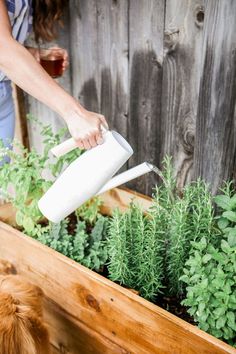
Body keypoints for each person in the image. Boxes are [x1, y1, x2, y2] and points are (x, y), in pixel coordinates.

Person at [0, 0, 108, 153]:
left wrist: (33, 55)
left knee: (3, 171)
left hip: (3, 93)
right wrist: (75, 114)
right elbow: (3, 49)